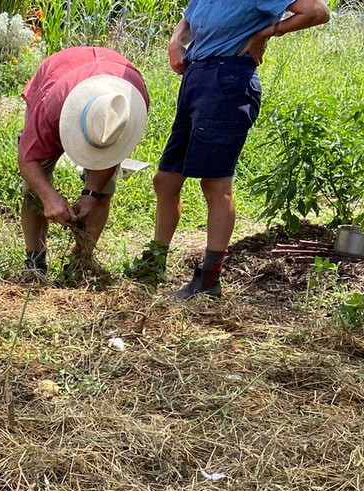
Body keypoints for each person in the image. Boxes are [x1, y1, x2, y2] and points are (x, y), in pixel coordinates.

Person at [130, 0, 330, 299]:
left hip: (228, 81)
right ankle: (155, 262)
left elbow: (318, 12)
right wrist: (175, 41)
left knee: (215, 184)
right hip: (197, 79)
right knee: (166, 179)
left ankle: (209, 281)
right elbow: (188, 19)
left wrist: (265, 33)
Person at [18, 46, 149, 285]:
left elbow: (114, 148)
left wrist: (90, 194)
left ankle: (81, 263)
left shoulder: (130, 102)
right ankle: (34, 263)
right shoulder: (51, 105)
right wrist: (48, 197)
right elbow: (28, 158)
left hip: (110, 79)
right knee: (34, 189)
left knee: (102, 192)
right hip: (60, 77)